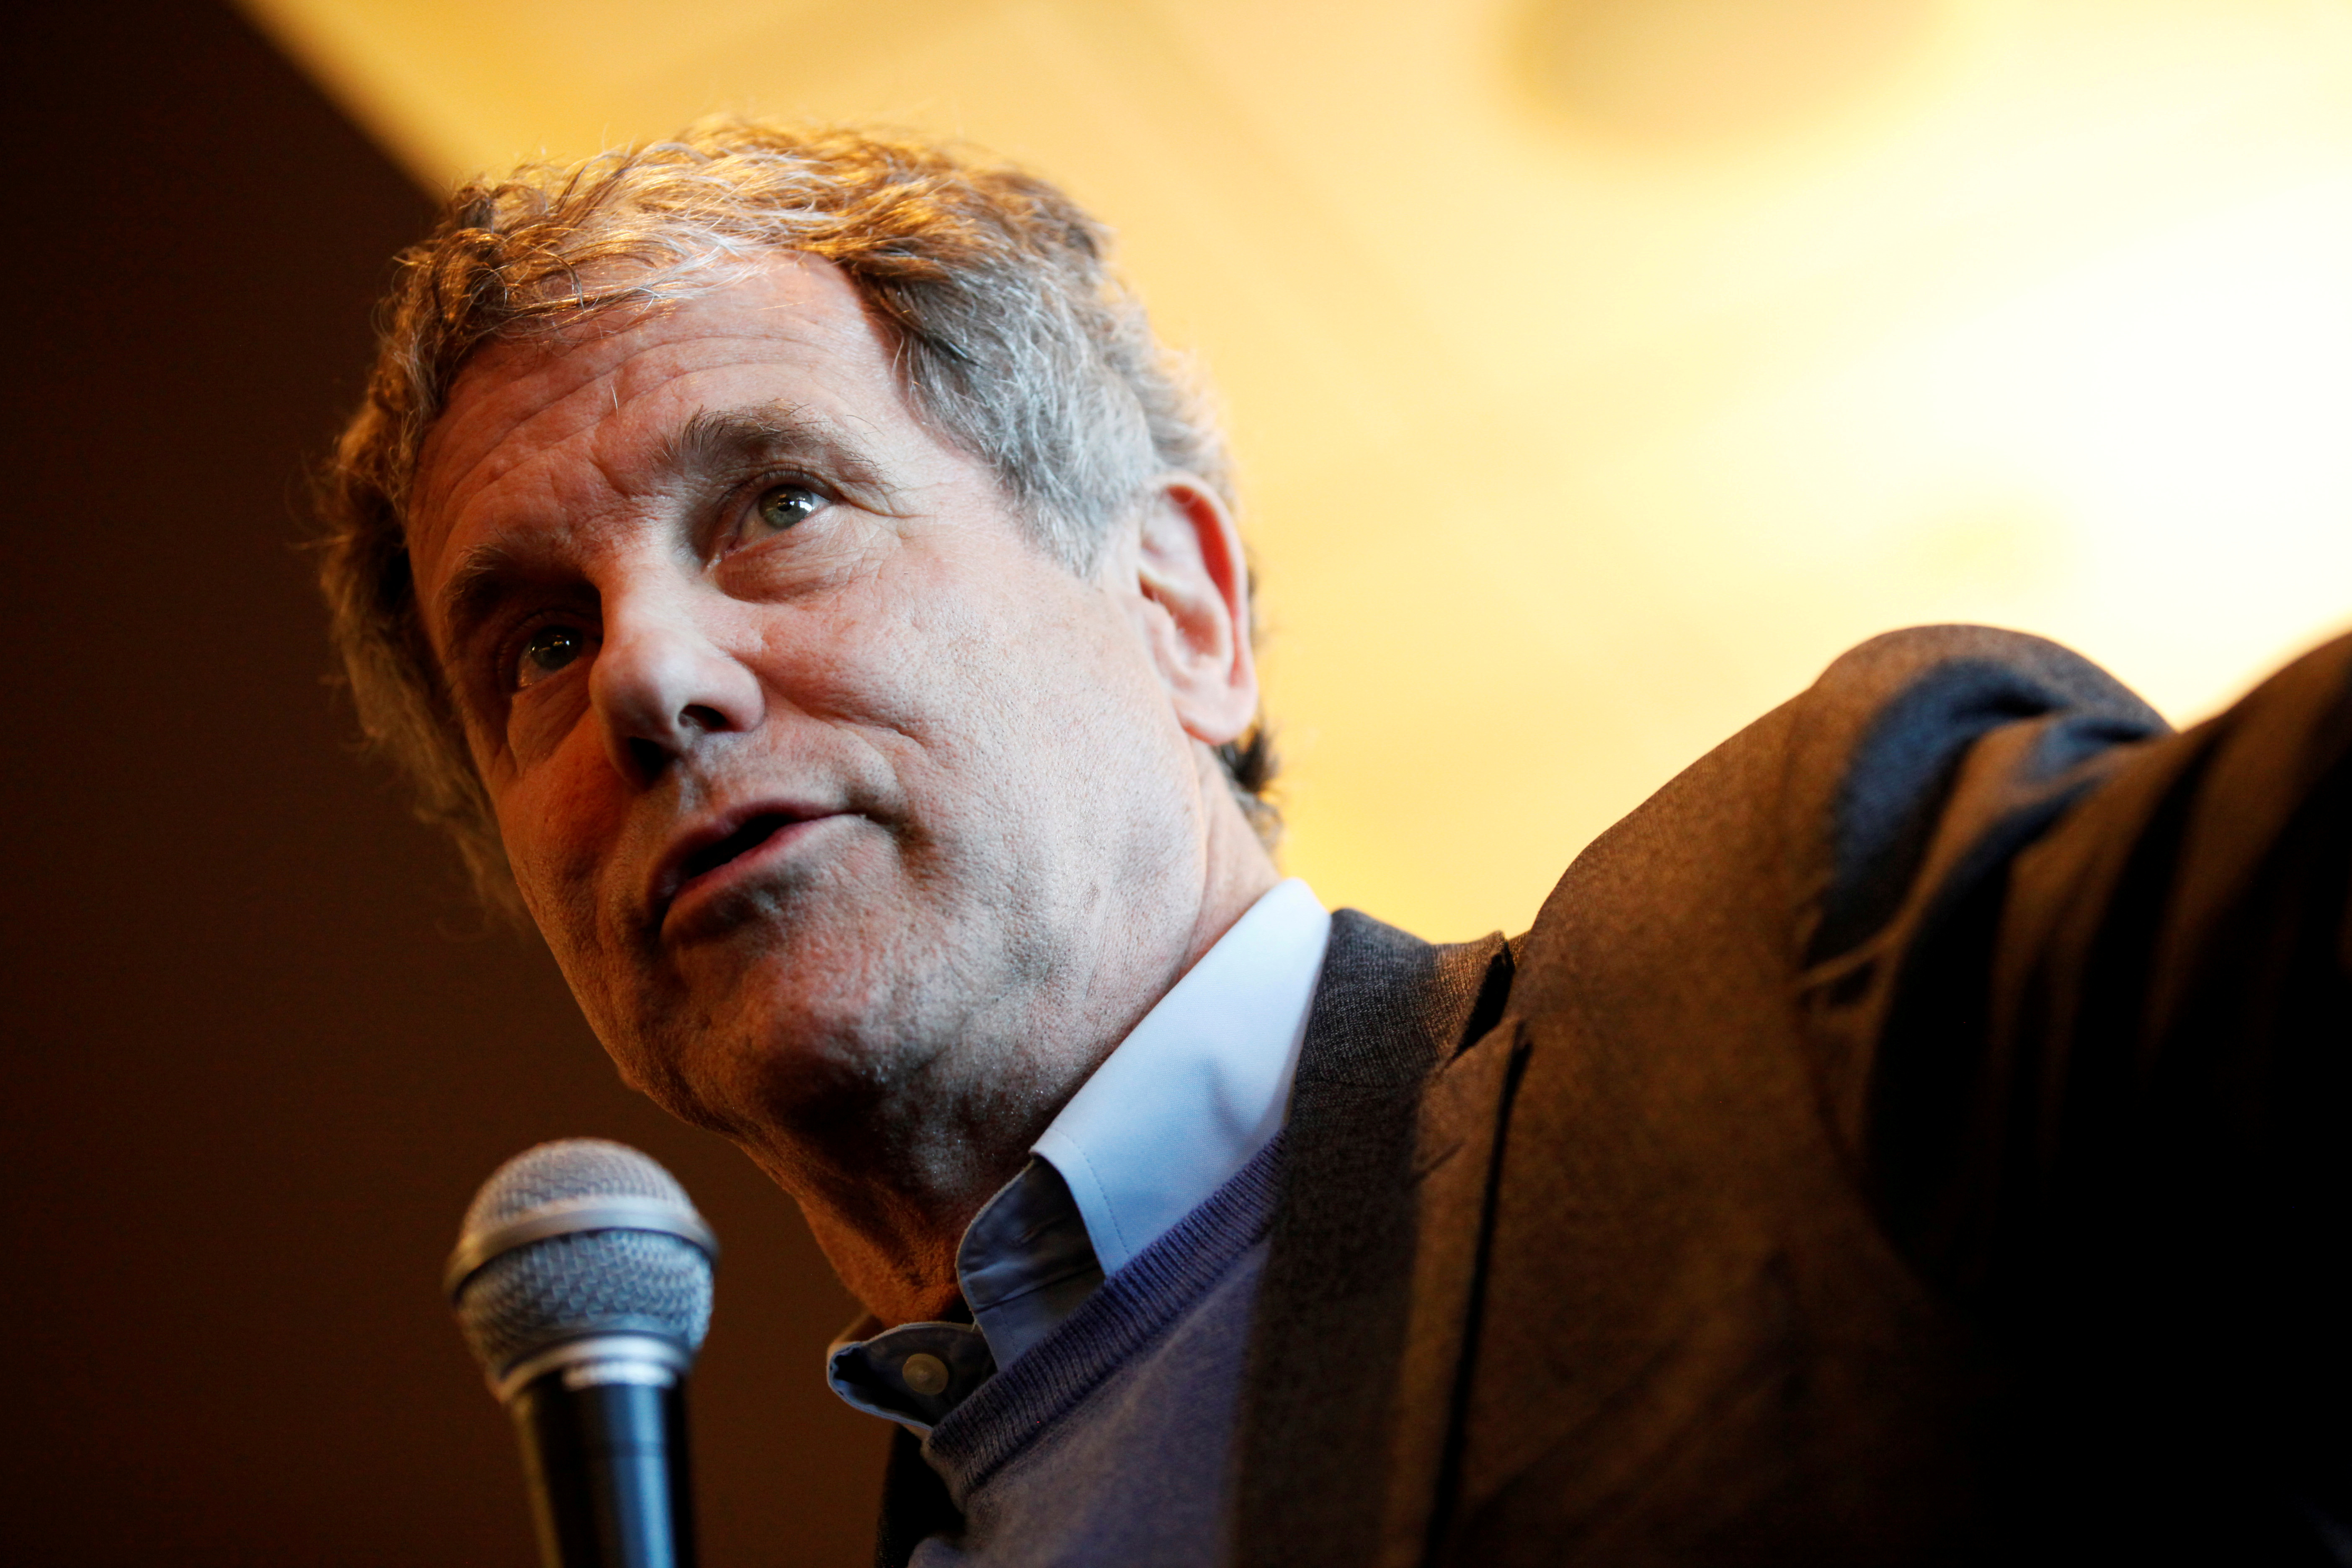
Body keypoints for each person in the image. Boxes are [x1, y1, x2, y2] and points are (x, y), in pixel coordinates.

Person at [319, 121, 2352, 1566]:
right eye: (537, 642)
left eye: (778, 505)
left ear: (1179, 608)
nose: (649, 678)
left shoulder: (1777, 977)